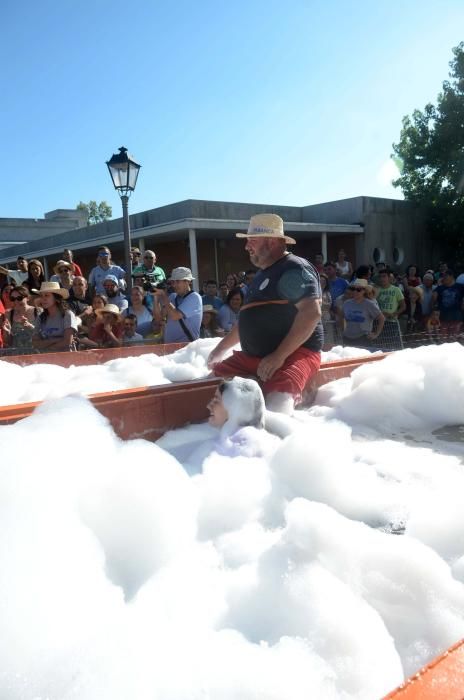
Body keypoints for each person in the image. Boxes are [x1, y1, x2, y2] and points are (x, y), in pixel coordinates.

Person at [207, 213, 323, 413]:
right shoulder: (261, 276)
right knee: (208, 384)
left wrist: (279, 356)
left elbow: (311, 313)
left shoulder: (293, 267)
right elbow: (245, 323)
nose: (246, 247)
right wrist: (219, 350)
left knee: (278, 404)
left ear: (270, 242)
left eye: (251, 241)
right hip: (253, 358)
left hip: (294, 355)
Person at [153, 267, 202, 343]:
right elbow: (158, 319)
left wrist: (164, 295)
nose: (174, 285)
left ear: (188, 281)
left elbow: (175, 316)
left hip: (187, 348)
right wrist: (156, 298)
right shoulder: (172, 296)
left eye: (178, 281)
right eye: (173, 282)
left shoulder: (195, 297)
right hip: (170, 347)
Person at [32, 282, 79, 353]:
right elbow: (35, 343)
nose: (43, 299)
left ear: (56, 298)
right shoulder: (40, 317)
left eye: (47, 295)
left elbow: (67, 341)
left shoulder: (67, 315)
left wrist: (47, 348)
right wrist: (57, 339)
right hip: (46, 359)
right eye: (41, 296)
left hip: (66, 358)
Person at [342, 278, 385, 349]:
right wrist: (343, 331)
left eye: (358, 290)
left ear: (364, 291)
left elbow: (382, 318)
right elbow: (342, 317)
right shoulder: (347, 303)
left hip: (363, 339)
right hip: (347, 338)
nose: (355, 291)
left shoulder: (369, 304)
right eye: (353, 289)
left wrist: (376, 334)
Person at [1, 285, 39, 354]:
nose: (16, 301)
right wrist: (7, 332)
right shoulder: (9, 314)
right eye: (12, 299)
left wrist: (30, 327)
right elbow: (8, 342)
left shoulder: (37, 311)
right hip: (16, 355)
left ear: (28, 298)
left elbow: (43, 335)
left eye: (19, 298)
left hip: (35, 354)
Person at [432, 269, 464, 337]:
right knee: (444, 338)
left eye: (445, 276)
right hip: (443, 317)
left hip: (456, 316)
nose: (444, 277)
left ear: (451, 276)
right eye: (443, 276)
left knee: (454, 339)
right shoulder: (439, 288)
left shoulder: (460, 287)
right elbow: (433, 301)